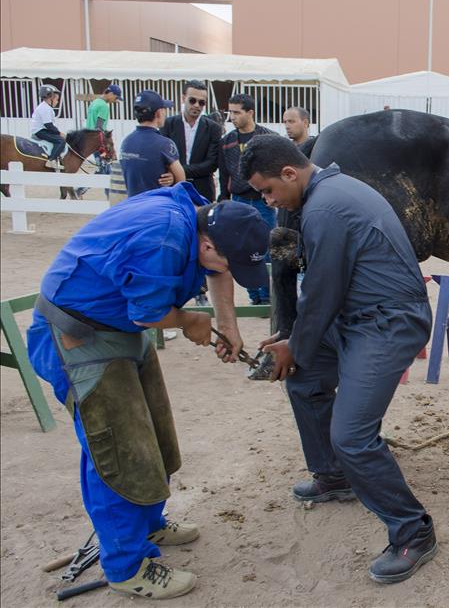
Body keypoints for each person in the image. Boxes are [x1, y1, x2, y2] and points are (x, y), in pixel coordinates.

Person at [26, 184, 271, 600]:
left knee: (152, 433)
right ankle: (125, 565)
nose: (226, 267)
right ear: (208, 241)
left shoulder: (200, 218)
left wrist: (227, 322)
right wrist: (189, 321)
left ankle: (148, 521)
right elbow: (149, 313)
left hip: (117, 326)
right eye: (226, 258)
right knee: (118, 449)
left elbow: (218, 270)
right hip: (80, 336)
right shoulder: (162, 238)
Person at [241, 135, 437, 584]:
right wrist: (291, 338)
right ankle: (335, 477)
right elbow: (297, 276)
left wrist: (295, 344)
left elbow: (324, 290)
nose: (268, 200)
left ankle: (413, 531)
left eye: (268, 190)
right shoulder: (316, 196)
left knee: (352, 435)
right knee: (303, 378)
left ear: (290, 173)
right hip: (356, 316)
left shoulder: (326, 208)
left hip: (387, 323)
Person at [219, 93, 276, 305]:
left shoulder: (268, 138)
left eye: (236, 112)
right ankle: (255, 298)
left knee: (265, 248)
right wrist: (224, 200)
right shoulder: (226, 142)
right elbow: (224, 174)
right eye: (230, 112)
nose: (232, 117)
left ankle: (268, 297)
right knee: (242, 249)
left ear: (250, 112)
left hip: (263, 201)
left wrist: (271, 196)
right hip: (238, 200)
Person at [160, 80, 222, 203]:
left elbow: (211, 164)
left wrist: (178, 172)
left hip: (203, 191)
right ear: (183, 98)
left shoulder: (213, 128)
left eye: (202, 102)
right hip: (174, 189)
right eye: (192, 100)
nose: (197, 105)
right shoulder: (168, 124)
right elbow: (163, 158)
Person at [120, 90, 186, 198]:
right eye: (165, 109)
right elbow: (181, 181)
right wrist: (173, 178)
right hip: (156, 208)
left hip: (133, 206)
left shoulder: (126, 142)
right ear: (159, 113)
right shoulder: (165, 144)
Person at [83, 84, 122, 180]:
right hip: (97, 142)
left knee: (107, 169)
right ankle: (80, 190)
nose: (115, 100)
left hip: (89, 138)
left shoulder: (95, 102)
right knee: (102, 169)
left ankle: (109, 193)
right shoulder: (104, 106)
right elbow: (99, 126)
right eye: (116, 97)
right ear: (111, 94)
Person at [30, 84, 67, 170]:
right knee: (61, 141)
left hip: (43, 130)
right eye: (56, 99)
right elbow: (49, 125)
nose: (57, 102)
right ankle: (51, 160)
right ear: (51, 98)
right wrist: (60, 133)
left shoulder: (46, 107)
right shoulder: (45, 108)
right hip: (40, 131)